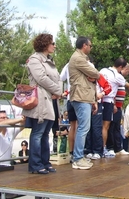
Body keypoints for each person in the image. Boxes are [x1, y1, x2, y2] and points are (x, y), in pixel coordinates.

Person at [23, 33, 63, 174]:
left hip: (50, 99)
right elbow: (41, 78)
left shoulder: (48, 60)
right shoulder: (35, 59)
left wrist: (57, 91)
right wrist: (58, 90)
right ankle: (35, 164)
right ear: (45, 44)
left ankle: (45, 162)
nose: (54, 45)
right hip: (41, 99)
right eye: (52, 43)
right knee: (38, 133)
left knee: (46, 133)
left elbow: (54, 78)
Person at [69, 36, 100, 170]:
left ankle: (79, 156)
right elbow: (95, 73)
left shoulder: (81, 58)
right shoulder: (78, 58)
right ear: (84, 45)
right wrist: (94, 75)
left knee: (83, 127)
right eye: (90, 45)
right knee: (83, 128)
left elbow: (92, 76)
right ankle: (77, 158)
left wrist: (93, 100)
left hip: (85, 97)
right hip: (80, 97)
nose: (91, 48)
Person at [100, 58, 129, 157]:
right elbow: (127, 85)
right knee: (106, 126)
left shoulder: (103, 70)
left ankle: (102, 148)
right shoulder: (117, 75)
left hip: (101, 100)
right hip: (109, 101)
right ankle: (105, 148)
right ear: (121, 67)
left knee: (103, 126)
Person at [60, 62, 78, 161]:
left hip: (69, 98)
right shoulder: (84, 62)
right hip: (79, 97)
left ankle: (71, 153)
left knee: (73, 126)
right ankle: (78, 153)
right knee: (80, 126)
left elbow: (61, 78)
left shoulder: (67, 64)